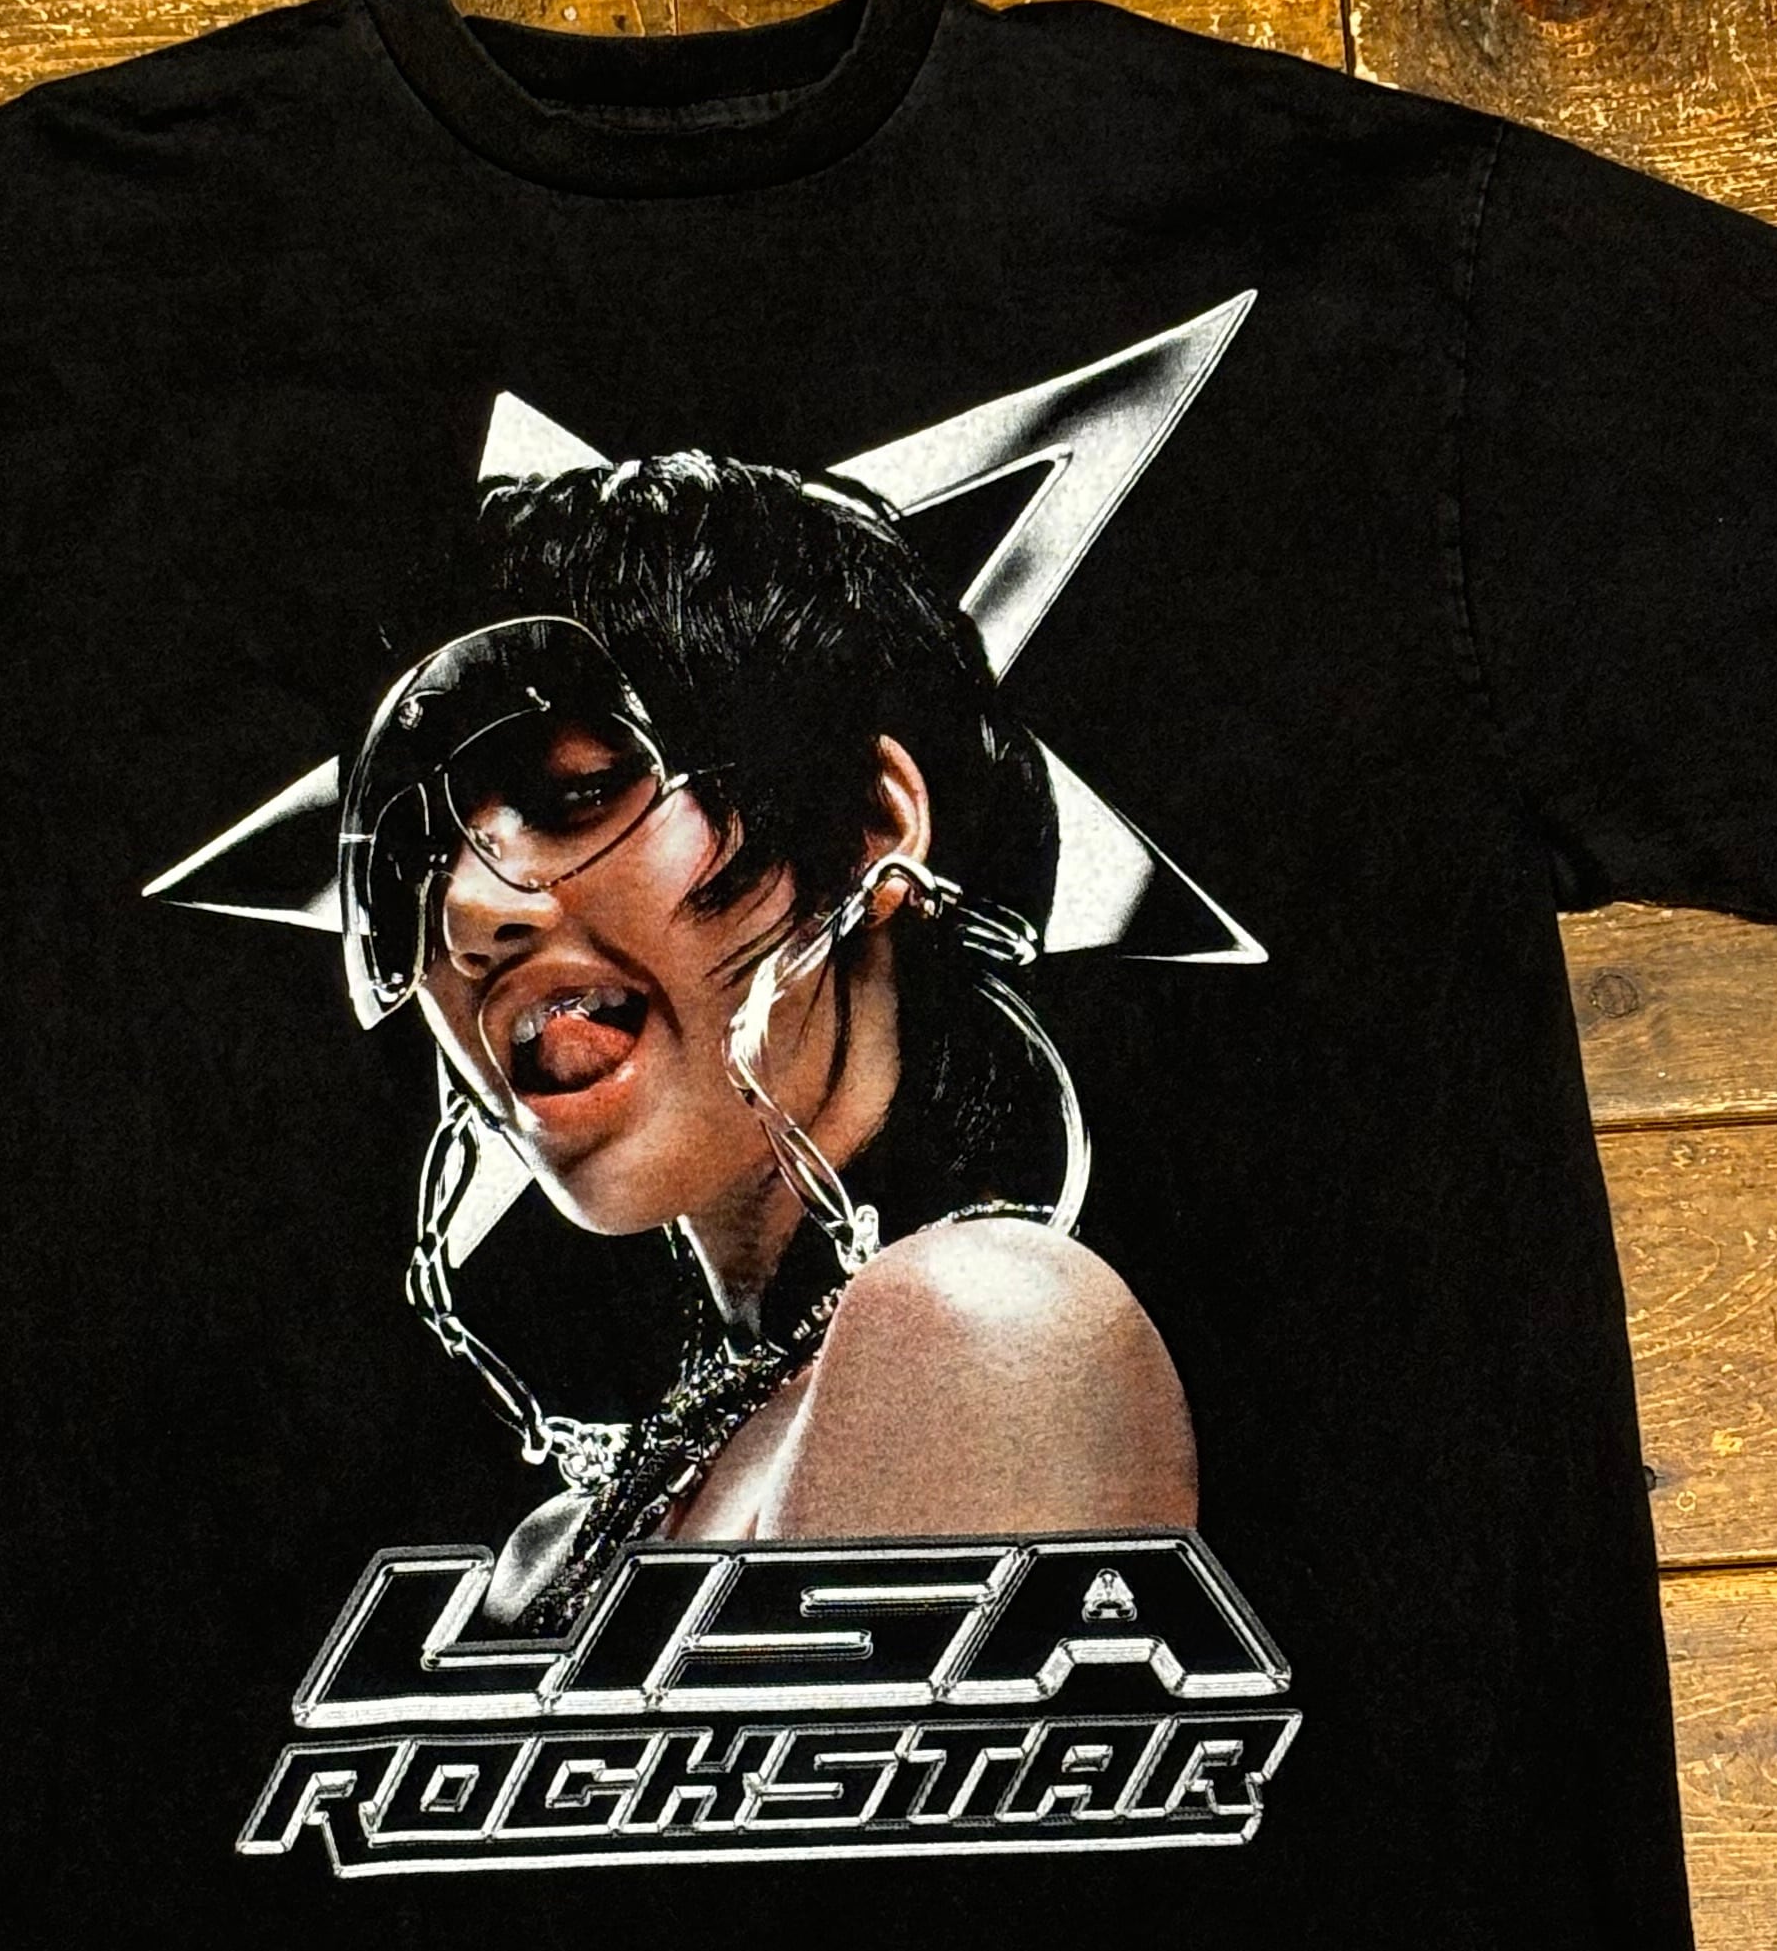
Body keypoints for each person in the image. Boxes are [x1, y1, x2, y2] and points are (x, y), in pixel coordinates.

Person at [334, 449, 1202, 1632]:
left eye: (578, 789)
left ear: (870, 827)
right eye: (414, 860)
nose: (468, 912)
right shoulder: (567, 1540)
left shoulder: (981, 1326)